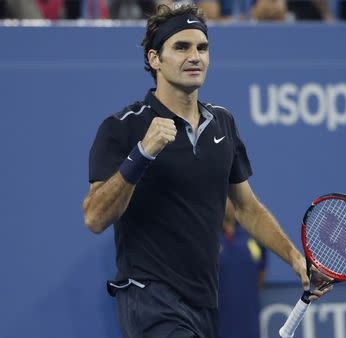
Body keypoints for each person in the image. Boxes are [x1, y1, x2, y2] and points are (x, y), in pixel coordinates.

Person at [82, 4, 332, 337]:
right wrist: (142, 153)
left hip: (205, 302)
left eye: (202, 48)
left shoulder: (223, 123)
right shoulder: (123, 128)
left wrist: (296, 260)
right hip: (149, 298)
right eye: (181, 47)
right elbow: (95, 217)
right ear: (154, 59)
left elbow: (247, 209)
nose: (195, 56)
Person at [218, 198, 267, 338]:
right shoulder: (207, 237)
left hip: (249, 326)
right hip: (216, 327)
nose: (233, 201)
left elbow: (261, 275)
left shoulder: (254, 235)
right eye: (228, 197)